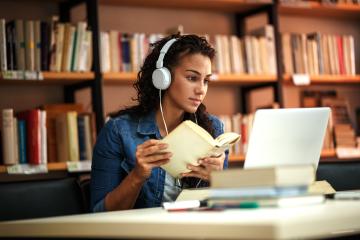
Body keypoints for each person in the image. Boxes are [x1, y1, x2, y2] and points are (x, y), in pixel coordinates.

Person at [90, 33, 229, 212]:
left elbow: (222, 209)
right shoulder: (118, 131)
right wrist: (137, 176)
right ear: (163, 77)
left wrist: (218, 180)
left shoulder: (214, 129)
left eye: (206, 80)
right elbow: (100, 213)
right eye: (192, 78)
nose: (201, 89)